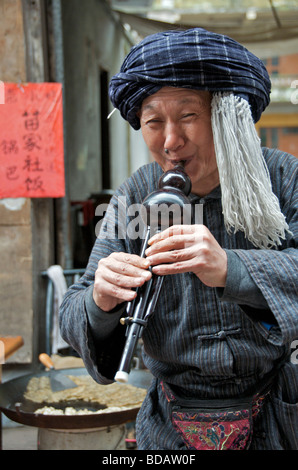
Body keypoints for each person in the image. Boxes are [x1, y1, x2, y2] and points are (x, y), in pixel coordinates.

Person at [59, 28, 298, 450]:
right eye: (153, 122)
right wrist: (100, 299)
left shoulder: (281, 177)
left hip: (277, 417)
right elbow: (72, 310)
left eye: (188, 116)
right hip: (172, 429)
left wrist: (232, 268)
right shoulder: (137, 195)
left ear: (228, 116)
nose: (171, 141)